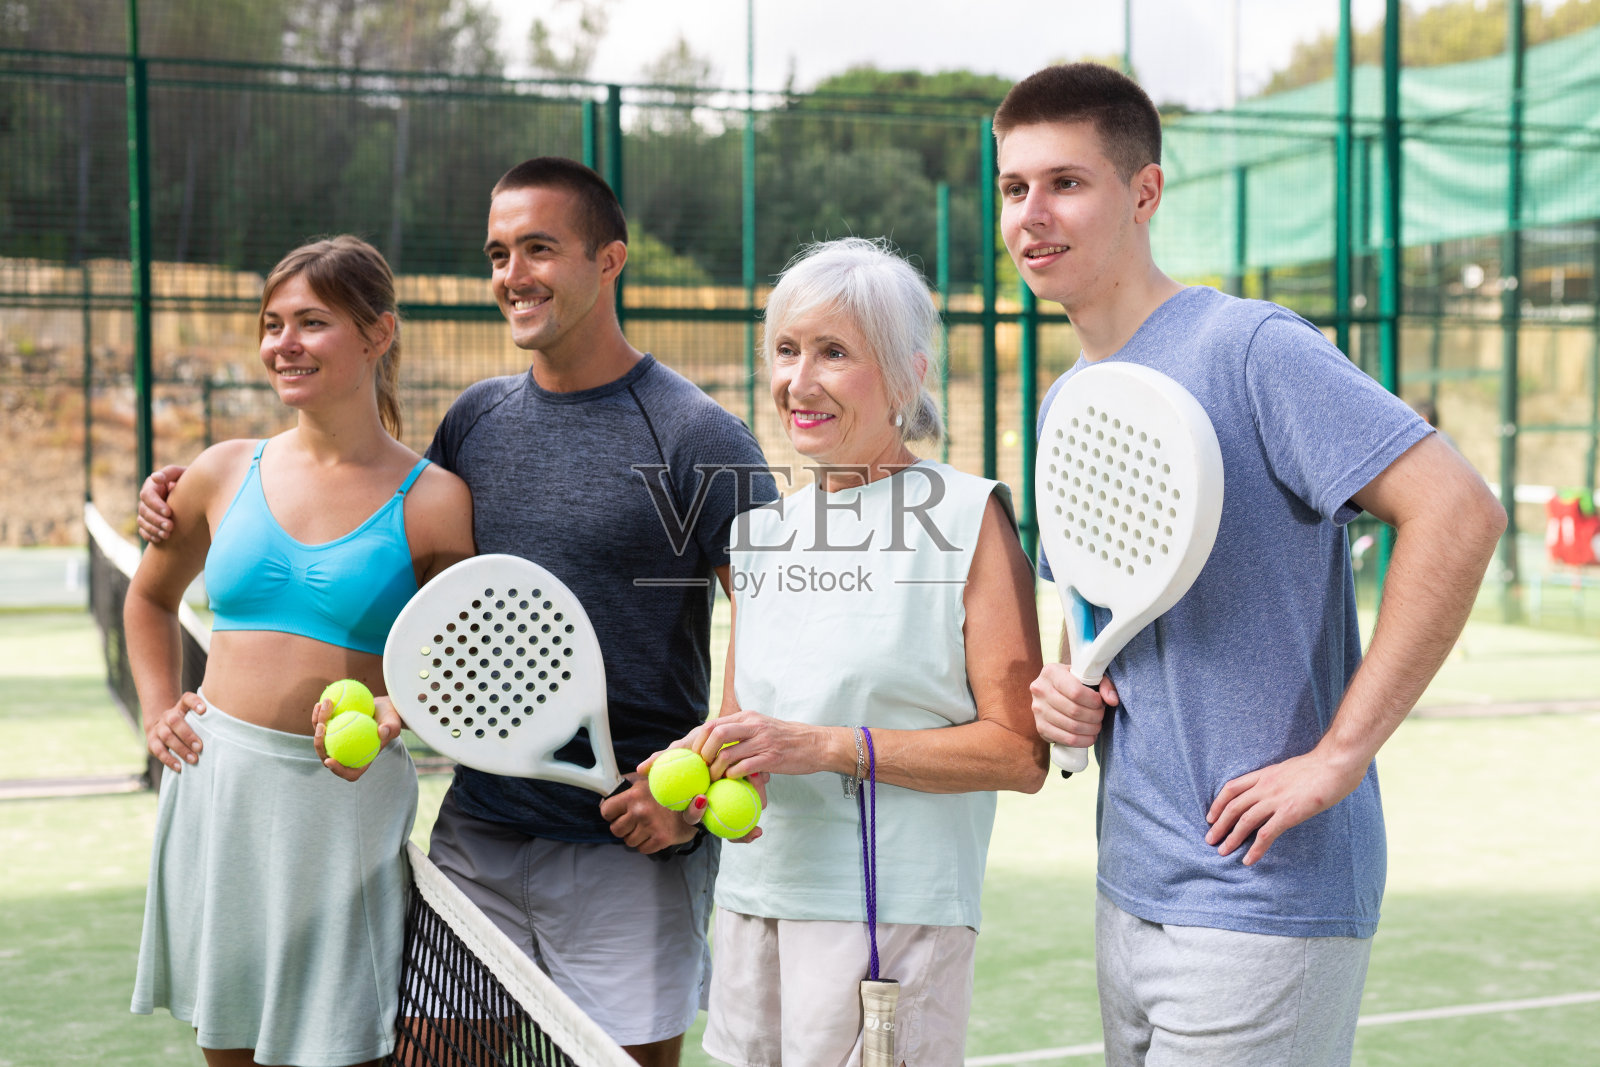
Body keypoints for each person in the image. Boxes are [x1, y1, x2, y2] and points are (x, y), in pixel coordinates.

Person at [139, 158, 775, 1066]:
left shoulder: (699, 435)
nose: (513, 274)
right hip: (475, 830)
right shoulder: (478, 420)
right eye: (498, 252)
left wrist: (698, 789)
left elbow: (772, 616)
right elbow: (425, 585)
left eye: (540, 249)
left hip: (627, 845)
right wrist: (177, 494)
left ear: (610, 261)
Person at [997, 64, 1506, 1065]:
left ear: (1142, 192)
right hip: (1130, 884)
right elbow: (1099, 617)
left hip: (1264, 896)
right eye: (1014, 188)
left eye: (1066, 182)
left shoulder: (1248, 347)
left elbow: (1458, 511)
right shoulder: (1070, 399)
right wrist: (1067, 685)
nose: (1032, 214)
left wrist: (1339, 754)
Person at [654, 237, 1049, 1067]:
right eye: (787, 351)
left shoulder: (968, 516)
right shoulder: (758, 535)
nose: (800, 382)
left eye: (834, 352)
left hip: (892, 914)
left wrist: (827, 747)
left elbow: (1018, 751)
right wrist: (717, 759)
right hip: (755, 899)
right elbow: (740, 720)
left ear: (906, 376)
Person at [125, 235, 476, 1067]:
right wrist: (154, 710)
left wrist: (398, 710)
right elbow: (147, 596)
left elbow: (462, 664)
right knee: (231, 1042)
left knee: (339, 1045)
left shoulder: (434, 500)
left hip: (340, 807)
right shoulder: (218, 470)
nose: (284, 343)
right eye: (272, 323)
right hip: (220, 786)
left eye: (311, 323)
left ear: (377, 334)